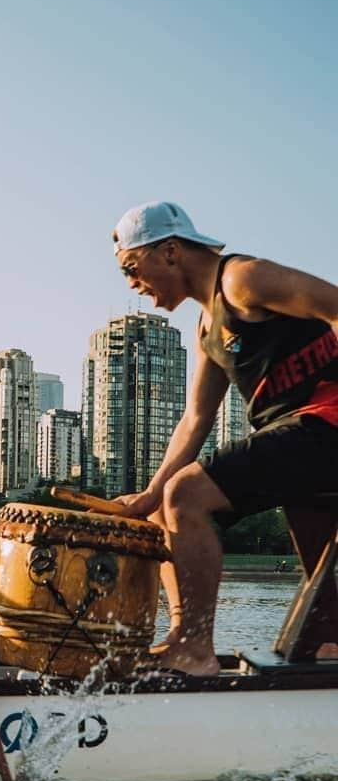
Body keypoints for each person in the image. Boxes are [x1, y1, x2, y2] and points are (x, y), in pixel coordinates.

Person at [110, 200, 338, 673]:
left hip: (326, 424)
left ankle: (192, 648)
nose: (132, 284)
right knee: (164, 506)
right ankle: (326, 653)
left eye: (133, 269)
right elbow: (196, 417)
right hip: (302, 441)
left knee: (187, 494)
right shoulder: (208, 326)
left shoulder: (242, 279)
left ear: (170, 252)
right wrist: (151, 493)